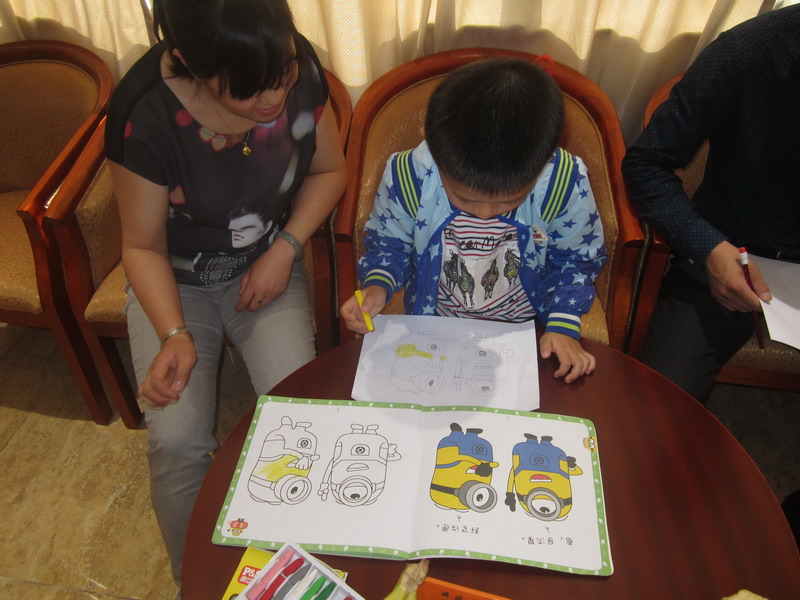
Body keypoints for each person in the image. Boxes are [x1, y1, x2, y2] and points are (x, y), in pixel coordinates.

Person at [104, 0, 346, 587]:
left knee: (302, 421)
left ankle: (304, 570)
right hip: (174, 284)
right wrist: (173, 333)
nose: (275, 98)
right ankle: (196, 583)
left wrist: (285, 248)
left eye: (283, 75)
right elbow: (141, 247)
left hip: (266, 264)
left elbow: (329, 171)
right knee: (177, 443)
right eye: (250, 89)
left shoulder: (295, 64)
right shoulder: (143, 112)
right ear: (193, 66)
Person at [340, 58, 607, 383]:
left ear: (546, 157)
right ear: (431, 142)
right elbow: (390, 244)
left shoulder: (562, 182)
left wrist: (563, 324)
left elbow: (576, 260)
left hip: (525, 329)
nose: (484, 213)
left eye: (508, 202)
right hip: (436, 325)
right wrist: (377, 285)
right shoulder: (409, 176)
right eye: (465, 199)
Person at [622, 5, 800, 402]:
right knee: (659, 405)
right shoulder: (746, 50)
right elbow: (645, 164)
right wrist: (708, 248)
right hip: (729, 251)